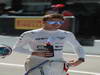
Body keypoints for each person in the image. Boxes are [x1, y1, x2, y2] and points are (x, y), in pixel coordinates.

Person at [13, 14, 85, 75]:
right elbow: (16, 48)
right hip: (37, 63)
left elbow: (77, 46)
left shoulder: (66, 34)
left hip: (58, 64)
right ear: (43, 22)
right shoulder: (30, 34)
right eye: (52, 22)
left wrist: (80, 59)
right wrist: (35, 53)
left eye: (60, 22)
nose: (56, 24)